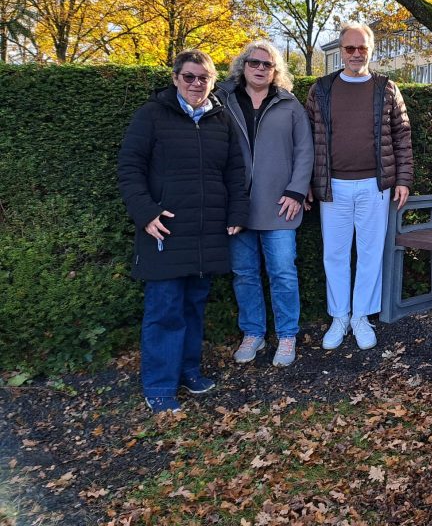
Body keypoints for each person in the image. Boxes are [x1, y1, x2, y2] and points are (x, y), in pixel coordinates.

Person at [117, 50, 248, 414]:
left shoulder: (221, 119)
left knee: (193, 306)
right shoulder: (152, 116)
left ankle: (189, 371)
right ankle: (159, 385)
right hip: (167, 230)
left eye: (203, 78)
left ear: (212, 80)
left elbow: (235, 172)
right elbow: (130, 167)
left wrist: (237, 211)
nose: (196, 84)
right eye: (189, 77)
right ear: (175, 78)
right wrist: (145, 212)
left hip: (207, 232)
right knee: (165, 310)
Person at [305, 22, 412, 350]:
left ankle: (361, 316)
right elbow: (306, 140)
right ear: (341, 50)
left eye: (361, 48)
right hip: (333, 187)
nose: (355, 54)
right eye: (349, 48)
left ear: (371, 50)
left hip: (375, 187)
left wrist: (404, 179)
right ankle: (339, 316)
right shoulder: (321, 89)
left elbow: (402, 134)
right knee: (334, 254)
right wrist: (306, 182)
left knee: (369, 254)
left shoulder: (386, 87)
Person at [216, 41, 314, 368]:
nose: (260, 68)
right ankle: (253, 333)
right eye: (254, 63)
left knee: (283, 273)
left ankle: (287, 336)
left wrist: (297, 191)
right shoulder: (222, 100)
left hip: (280, 206)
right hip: (237, 206)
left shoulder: (289, 104)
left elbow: (305, 151)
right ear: (243, 65)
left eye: (267, 65)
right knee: (244, 274)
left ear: (276, 71)